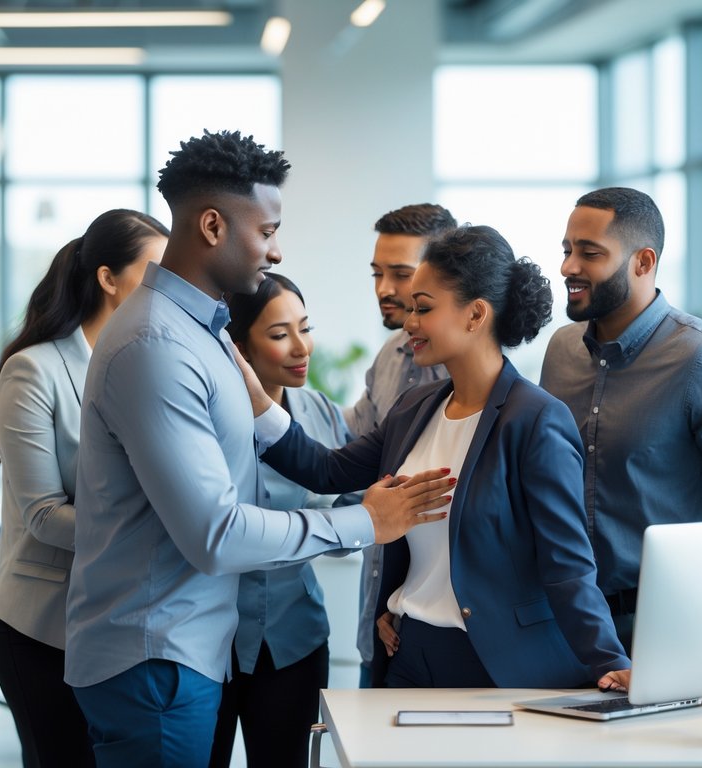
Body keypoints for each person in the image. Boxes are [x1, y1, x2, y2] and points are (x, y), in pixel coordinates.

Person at [66, 130, 453, 767]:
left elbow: (306, 458)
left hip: (186, 651)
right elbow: (215, 534)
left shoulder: (201, 335)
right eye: (267, 230)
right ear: (213, 226)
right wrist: (365, 522)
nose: (277, 250)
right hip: (155, 660)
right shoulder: (156, 346)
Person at [255, 225, 630, 690]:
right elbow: (326, 470)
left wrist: (608, 658)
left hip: (491, 662)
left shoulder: (536, 420)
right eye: (412, 308)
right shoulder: (414, 407)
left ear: (476, 314)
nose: (409, 323)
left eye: (424, 308)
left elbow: (567, 564)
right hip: (408, 653)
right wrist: (253, 396)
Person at [539, 187, 702, 650]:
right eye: (567, 250)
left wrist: (699, 588)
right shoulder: (561, 350)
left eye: (589, 253)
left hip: (663, 623)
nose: (568, 267)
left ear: (643, 261)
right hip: (558, 620)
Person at [0, 209, 167, 768]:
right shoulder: (34, 370)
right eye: (154, 271)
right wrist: (153, 535)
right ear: (108, 278)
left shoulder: (149, 364)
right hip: (41, 624)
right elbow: (42, 515)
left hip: (116, 622)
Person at [209, 273, 353, 768]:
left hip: (295, 637)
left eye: (305, 328)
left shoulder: (320, 410)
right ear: (240, 346)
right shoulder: (208, 415)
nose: (301, 348)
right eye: (279, 334)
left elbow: (357, 514)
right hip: (210, 640)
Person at [344, 202, 456, 686]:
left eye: (401, 275)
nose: (384, 289)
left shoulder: (471, 377)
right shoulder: (389, 357)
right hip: (376, 624)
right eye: (377, 273)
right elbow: (351, 454)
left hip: (437, 630)